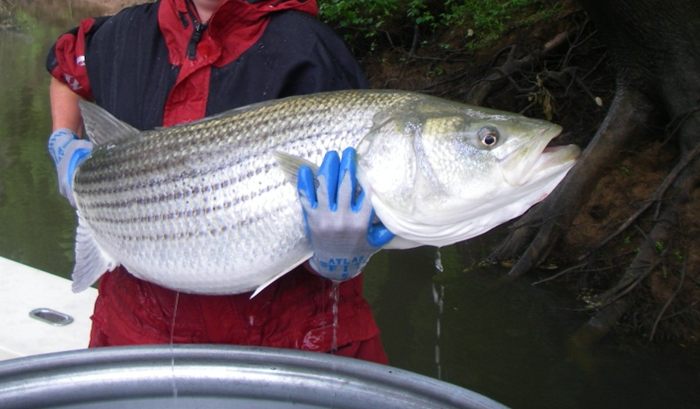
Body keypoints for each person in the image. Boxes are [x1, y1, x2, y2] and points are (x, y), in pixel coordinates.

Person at [46, 0, 391, 364]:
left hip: (291, 345)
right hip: (133, 333)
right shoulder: (121, 32)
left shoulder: (315, 50)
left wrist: (341, 257)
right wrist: (64, 141)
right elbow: (67, 68)